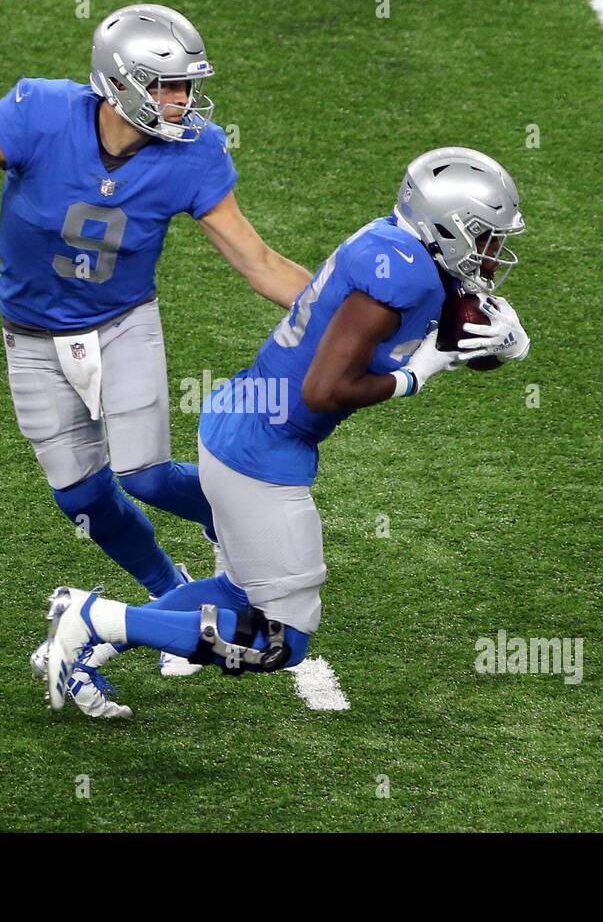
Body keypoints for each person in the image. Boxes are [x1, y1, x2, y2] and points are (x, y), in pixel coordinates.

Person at [0, 4, 313, 704]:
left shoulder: (196, 154)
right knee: (81, 495)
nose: (183, 101)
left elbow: (259, 262)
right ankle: (172, 591)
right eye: (167, 85)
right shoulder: (43, 113)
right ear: (119, 82)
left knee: (144, 473)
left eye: (187, 85)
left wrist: (351, 316)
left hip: (123, 324)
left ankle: (223, 526)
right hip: (29, 335)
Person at [45, 147, 533, 718]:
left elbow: (460, 338)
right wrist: (411, 378)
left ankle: (86, 642)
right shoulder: (403, 275)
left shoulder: (406, 250)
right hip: (263, 448)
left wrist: (510, 344)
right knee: (280, 639)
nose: (493, 255)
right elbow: (323, 392)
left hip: (248, 420)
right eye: (486, 237)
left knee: (236, 594)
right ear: (448, 226)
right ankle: (92, 620)